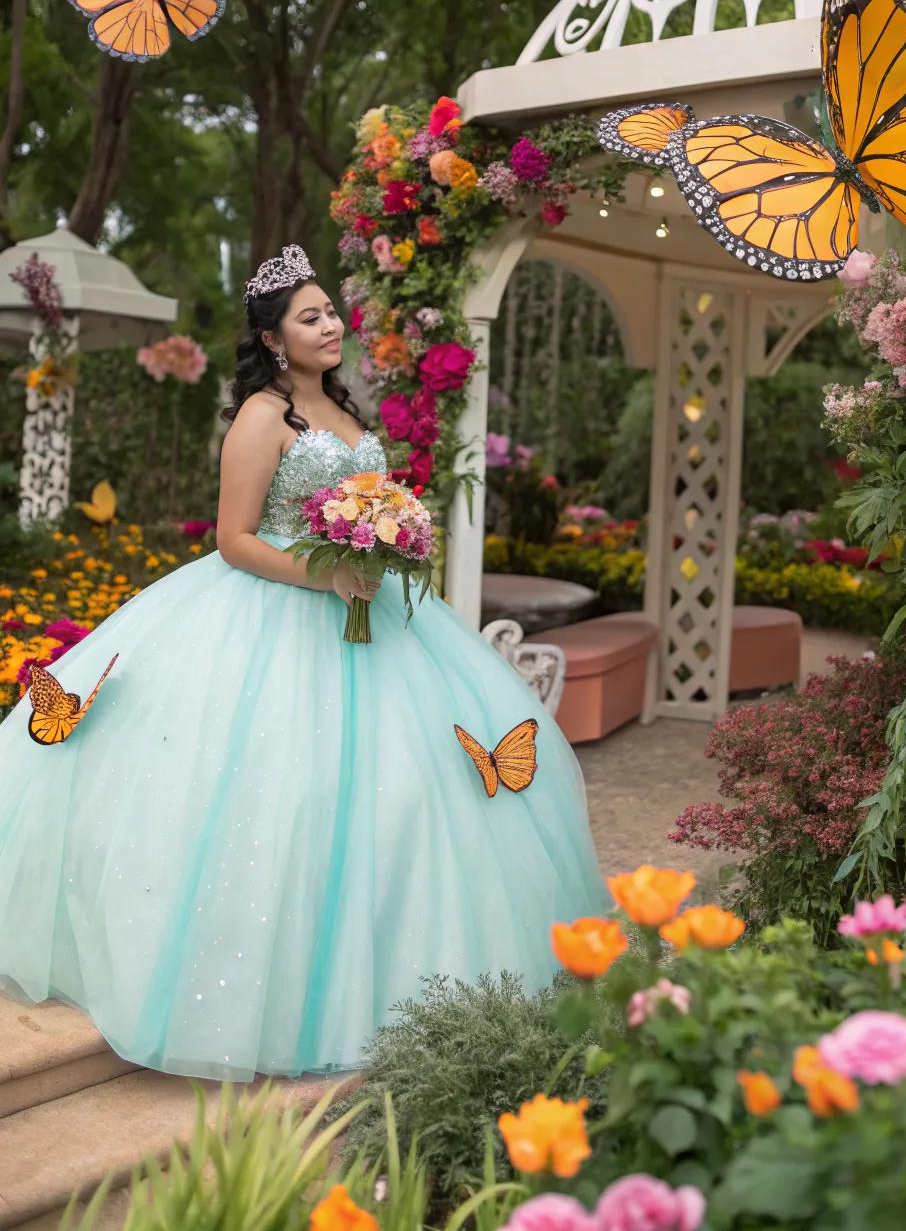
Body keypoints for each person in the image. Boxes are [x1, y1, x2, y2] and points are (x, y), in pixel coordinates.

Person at [0, 245, 609, 1082]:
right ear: (276, 339)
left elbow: (372, 506)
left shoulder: (352, 417)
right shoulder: (262, 415)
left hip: (380, 621)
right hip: (277, 617)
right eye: (312, 316)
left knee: (404, 801)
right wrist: (328, 573)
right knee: (280, 796)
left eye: (331, 312)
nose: (333, 326)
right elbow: (234, 539)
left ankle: (405, 991)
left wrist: (391, 540)